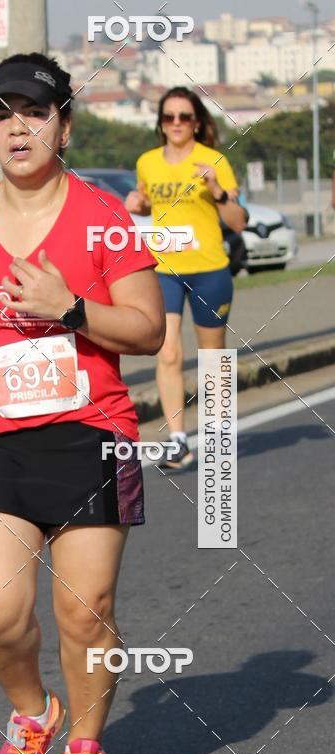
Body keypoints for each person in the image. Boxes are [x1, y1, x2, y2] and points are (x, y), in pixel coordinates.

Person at [0, 52, 165, 754]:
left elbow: (149, 331)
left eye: (35, 113)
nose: (18, 128)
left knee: (84, 608)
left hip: (95, 431)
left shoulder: (103, 219)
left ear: (65, 126)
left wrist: (69, 307)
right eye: (2, 115)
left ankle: (87, 744)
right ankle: (33, 715)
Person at [126, 86, 246, 469]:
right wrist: (139, 206)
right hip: (164, 269)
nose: (176, 123)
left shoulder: (214, 160)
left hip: (209, 268)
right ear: (161, 123)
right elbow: (148, 205)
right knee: (168, 351)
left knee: (212, 357)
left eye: (184, 116)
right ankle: (178, 440)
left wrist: (216, 189)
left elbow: (238, 222)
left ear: (196, 122)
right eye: (168, 116)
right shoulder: (147, 162)